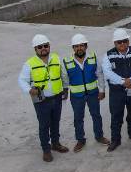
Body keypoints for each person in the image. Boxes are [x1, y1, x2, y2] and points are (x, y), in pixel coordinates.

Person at [18, 34, 69, 162]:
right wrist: (29, 90)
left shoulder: (56, 58)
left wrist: (66, 89)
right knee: (44, 125)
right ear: (35, 49)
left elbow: (64, 74)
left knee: (55, 122)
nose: (43, 48)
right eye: (40, 47)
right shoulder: (29, 64)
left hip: (57, 97)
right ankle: (46, 149)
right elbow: (22, 80)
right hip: (41, 100)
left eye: (45, 46)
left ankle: (55, 144)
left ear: (49, 46)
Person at [62, 33, 108, 152]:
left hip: (93, 93)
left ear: (86, 46)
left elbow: (99, 74)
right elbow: (65, 79)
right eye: (76, 46)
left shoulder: (93, 57)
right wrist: (65, 92)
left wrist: (102, 90)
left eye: (81, 45)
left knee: (96, 115)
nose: (79, 48)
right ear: (73, 48)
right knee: (78, 118)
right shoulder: (67, 61)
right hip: (76, 96)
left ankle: (99, 136)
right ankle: (80, 140)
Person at [102, 28, 131, 152]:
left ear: (128, 40)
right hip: (117, 90)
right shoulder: (108, 55)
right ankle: (115, 140)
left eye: (124, 41)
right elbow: (107, 72)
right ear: (114, 43)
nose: (122, 44)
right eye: (119, 42)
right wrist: (123, 82)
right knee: (116, 115)